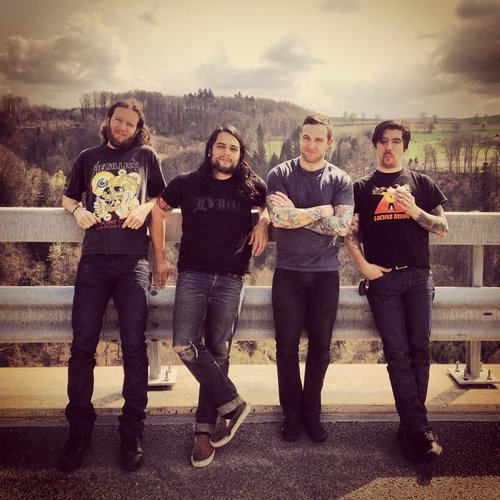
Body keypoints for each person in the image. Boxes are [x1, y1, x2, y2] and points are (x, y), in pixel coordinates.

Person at [150, 125, 269, 468]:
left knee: (218, 353)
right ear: (210, 149)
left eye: (233, 148)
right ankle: (234, 404)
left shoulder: (251, 184)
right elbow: (158, 211)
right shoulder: (187, 182)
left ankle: (203, 432)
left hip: (232, 278)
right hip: (193, 275)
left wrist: (263, 223)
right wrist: (160, 257)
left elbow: (269, 205)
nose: (226, 153)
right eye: (221, 146)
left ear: (239, 154)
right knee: (184, 344)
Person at [59, 98, 166, 472]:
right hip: (93, 261)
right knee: (82, 348)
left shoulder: (146, 156)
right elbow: (68, 196)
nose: (123, 128)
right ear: (109, 121)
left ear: (138, 128)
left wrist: (144, 207)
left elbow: (161, 198)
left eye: (130, 124)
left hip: (133, 263)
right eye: (118, 121)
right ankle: (79, 433)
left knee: (134, 348)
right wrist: (78, 210)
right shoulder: (88, 157)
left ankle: (131, 433)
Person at [344, 120, 448, 463]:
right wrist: (364, 267)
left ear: (405, 146)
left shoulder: (421, 183)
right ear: (375, 145)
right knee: (398, 354)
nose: (389, 147)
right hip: (383, 282)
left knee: (420, 352)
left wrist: (414, 210)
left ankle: (412, 428)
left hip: (419, 277)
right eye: (383, 141)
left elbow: (442, 228)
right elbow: (349, 233)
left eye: (396, 141)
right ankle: (420, 431)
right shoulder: (361, 187)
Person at [267, 114, 354, 442]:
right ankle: (291, 415)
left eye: (318, 139)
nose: (311, 144)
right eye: (306, 137)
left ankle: (311, 412)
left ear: (329, 142)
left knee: (320, 349)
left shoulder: (340, 179)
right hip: (288, 272)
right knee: (286, 348)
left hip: (325, 274)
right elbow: (278, 218)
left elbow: (341, 227)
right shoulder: (280, 174)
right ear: (299, 138)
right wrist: (323, 210)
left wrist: (297, 214)